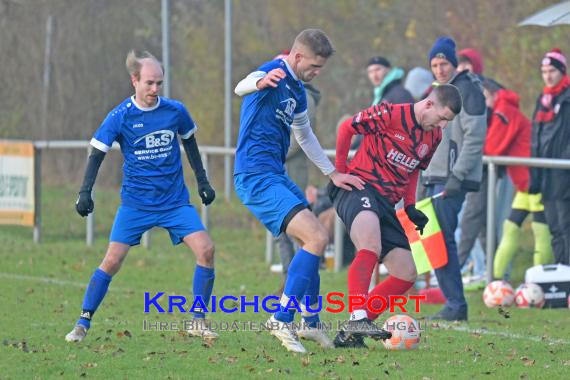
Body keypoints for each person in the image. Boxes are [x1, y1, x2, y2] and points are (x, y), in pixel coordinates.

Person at [65, 51, 217, 343]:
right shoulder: (120, 116)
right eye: (149, 83)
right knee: (111, 261)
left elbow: (191, 144)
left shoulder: (175, 111)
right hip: (136, 205)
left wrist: (203, 182)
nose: (155, 89)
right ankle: (83, 321)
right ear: (134, 80)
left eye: (159, 83)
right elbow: (97, 152)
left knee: (206, 250)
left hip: (174, 203)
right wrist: (85, 191)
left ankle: (198, 320)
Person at [233, 29, 364, 353]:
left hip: (274, 174)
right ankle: (281, 318)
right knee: (318, 238)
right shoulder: (272, 72)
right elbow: (240, 87)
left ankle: (310, 323)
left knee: (316, 235)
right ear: (298, 56)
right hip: (254, 175)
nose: (317, 73)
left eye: (321, 68)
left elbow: (305, 137)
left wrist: (332, 173)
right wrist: (259, 83)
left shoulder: (299, 92)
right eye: (314, 67)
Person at [329, 84, 462, 348]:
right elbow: (347, 128)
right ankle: (357, 316)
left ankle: (351, 333)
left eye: (448, 122)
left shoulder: (433, 136)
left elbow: (414, 169)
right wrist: (339, 172)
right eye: (443, 118)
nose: (443, 126)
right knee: (370, 245)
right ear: (428, 105)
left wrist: (411, 206)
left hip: (386, 202)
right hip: (358, 186)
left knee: (406, 273)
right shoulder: (389, 114)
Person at [422, 37, 487, 321]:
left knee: (443, 240)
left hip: (452, 179)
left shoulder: (468, 90)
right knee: (432, 240)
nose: (439, 69)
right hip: (435, 175)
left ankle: (456, 304)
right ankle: (452, 301)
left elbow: (475, 138)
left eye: (443, 63)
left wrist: (457, 176)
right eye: (434, 64)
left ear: (454, 62)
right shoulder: (438, 91)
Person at [482, 79, 553, 278]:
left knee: (540, 231)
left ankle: (542, 281)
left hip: (536, 181)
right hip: (524, 185)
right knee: (511, 228)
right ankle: (495, 280)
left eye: (485, 97)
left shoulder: (504, 111)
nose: (483, 103)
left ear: (495, 95)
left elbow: (493, 148)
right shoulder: (501, 110)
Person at [530, 48, 570, 265]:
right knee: (554, 227)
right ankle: (563, 275)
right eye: (544, 71)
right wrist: (534, 172)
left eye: (552, 70)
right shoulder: (543, 98)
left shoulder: (568, 97)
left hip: (563, 172)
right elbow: (536, 136)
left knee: (566, 226)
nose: (548, 75)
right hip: (545, 172)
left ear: (562, 71)